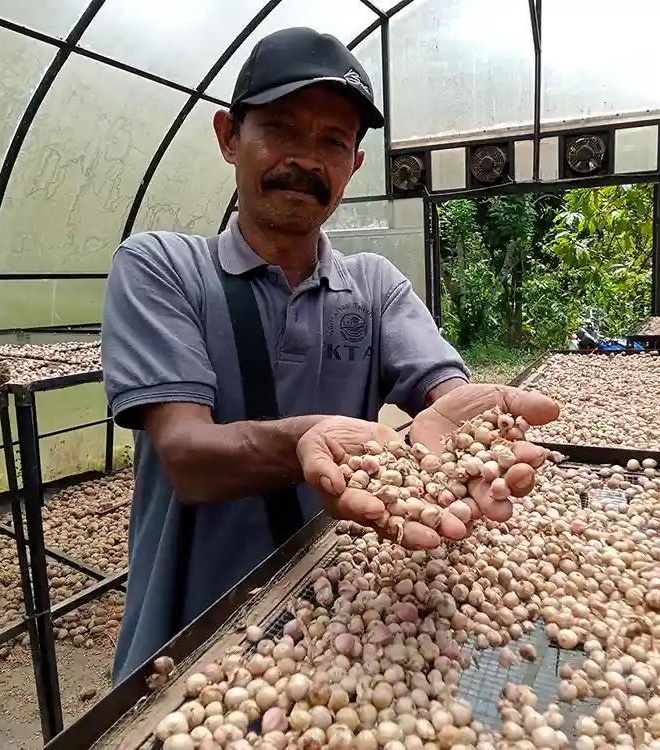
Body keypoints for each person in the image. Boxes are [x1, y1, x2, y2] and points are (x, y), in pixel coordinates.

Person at [100, 26, 559, 685]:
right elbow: (187, 458)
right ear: (229, 136)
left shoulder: (372, 285)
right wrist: (310, 439)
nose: (305, 161)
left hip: (338, 634)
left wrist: (469, 431)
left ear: (354, 166)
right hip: (191, 648)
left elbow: (442, 389)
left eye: (332, 143)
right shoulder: (161, 268)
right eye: (282, 130)